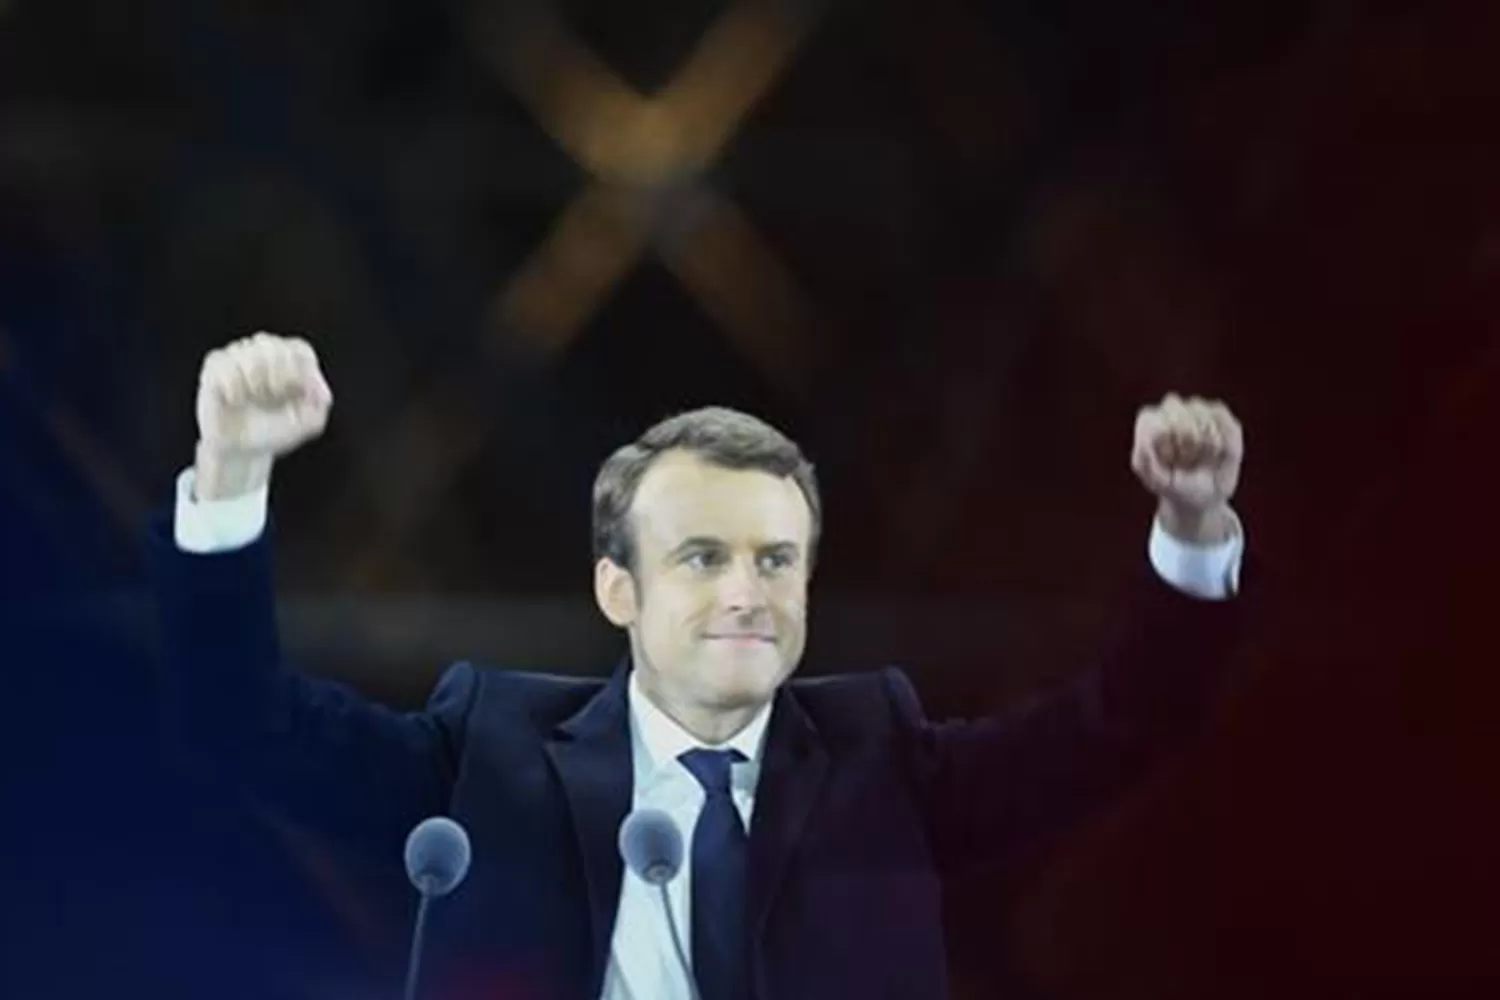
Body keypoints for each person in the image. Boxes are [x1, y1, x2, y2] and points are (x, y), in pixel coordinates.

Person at [150, 332, 1250, 1000]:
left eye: (778, 559)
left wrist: (1195, 528)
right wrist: (232, 471)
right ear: (617, 589)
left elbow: (1124, 725)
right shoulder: (490, 753)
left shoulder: (885, 762)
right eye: (703, 557)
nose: (746, 591)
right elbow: (242, 723)